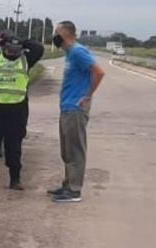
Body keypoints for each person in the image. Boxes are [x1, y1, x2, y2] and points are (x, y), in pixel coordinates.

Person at [0, 32, 44, 191]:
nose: (13, 54)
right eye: (9, 50)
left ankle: (15, 180)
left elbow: (39, 48)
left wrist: (20, 41)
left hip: (17, 110)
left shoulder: (25, 60)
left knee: (14, 147)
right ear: (3, 48)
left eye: (16, 50)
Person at [47, 21, 105, 203]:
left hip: (75, 108)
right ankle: (67, 184)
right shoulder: (70, 53)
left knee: (75, 150)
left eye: (56, 32)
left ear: (65, 33)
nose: (54, 35)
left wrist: (87, 96)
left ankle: (74, 190)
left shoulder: (78, 52)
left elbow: (99, 72)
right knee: (67, 150)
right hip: (67, 107)